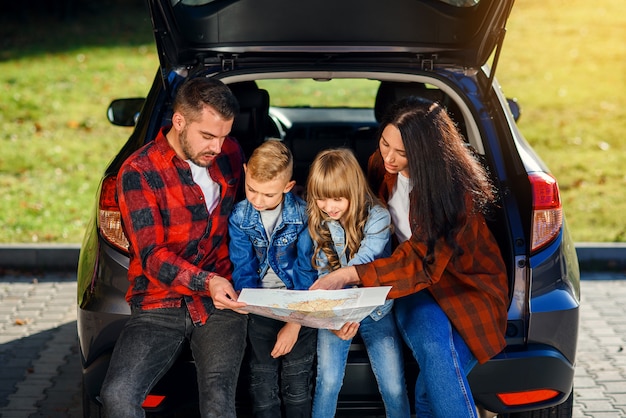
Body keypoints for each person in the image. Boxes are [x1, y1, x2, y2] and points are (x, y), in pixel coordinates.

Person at [310, 97, 510, 417]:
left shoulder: (455, 193)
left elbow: (423, 262)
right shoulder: (382, 166)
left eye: (401, 153)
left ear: (425, 154)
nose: (388, 156)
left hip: (467, 287)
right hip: (412, 285)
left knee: (434, 378)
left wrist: (351, 275)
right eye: (385, 143)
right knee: (433, 356)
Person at [100, 77, 249, 418]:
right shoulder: (139, 172)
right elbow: (152, 257)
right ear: (179, 121)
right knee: (117, 397)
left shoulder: (230, 154)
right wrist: (205, 281)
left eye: (224, 135)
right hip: (158, 301)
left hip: (220, 304)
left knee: (219, 402)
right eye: (208, 136)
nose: (217, 146)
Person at [306, 148, 411, 418]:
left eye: (337, 198)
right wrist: (334, 319)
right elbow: (322, 269)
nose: (329, 207)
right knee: (327, 383)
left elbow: (364, 263)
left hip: (376, 311)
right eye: (321, 199)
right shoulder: (320, 220)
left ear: (353, 189)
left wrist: (336, 290)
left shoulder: (378, 217)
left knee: (394, 387)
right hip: (336, 312)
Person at [228, 139, 318, 418]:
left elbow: (307, 272)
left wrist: (294, 321)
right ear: (245, 172)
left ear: (288, 187)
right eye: (252, 189)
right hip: (260, 307)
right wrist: (252, 306)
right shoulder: (240, 217)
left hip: (299, 304)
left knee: (297, 384)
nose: (257, 200)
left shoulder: (303, 215)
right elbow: (243, 268)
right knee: (262, 384)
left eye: (268, 195)